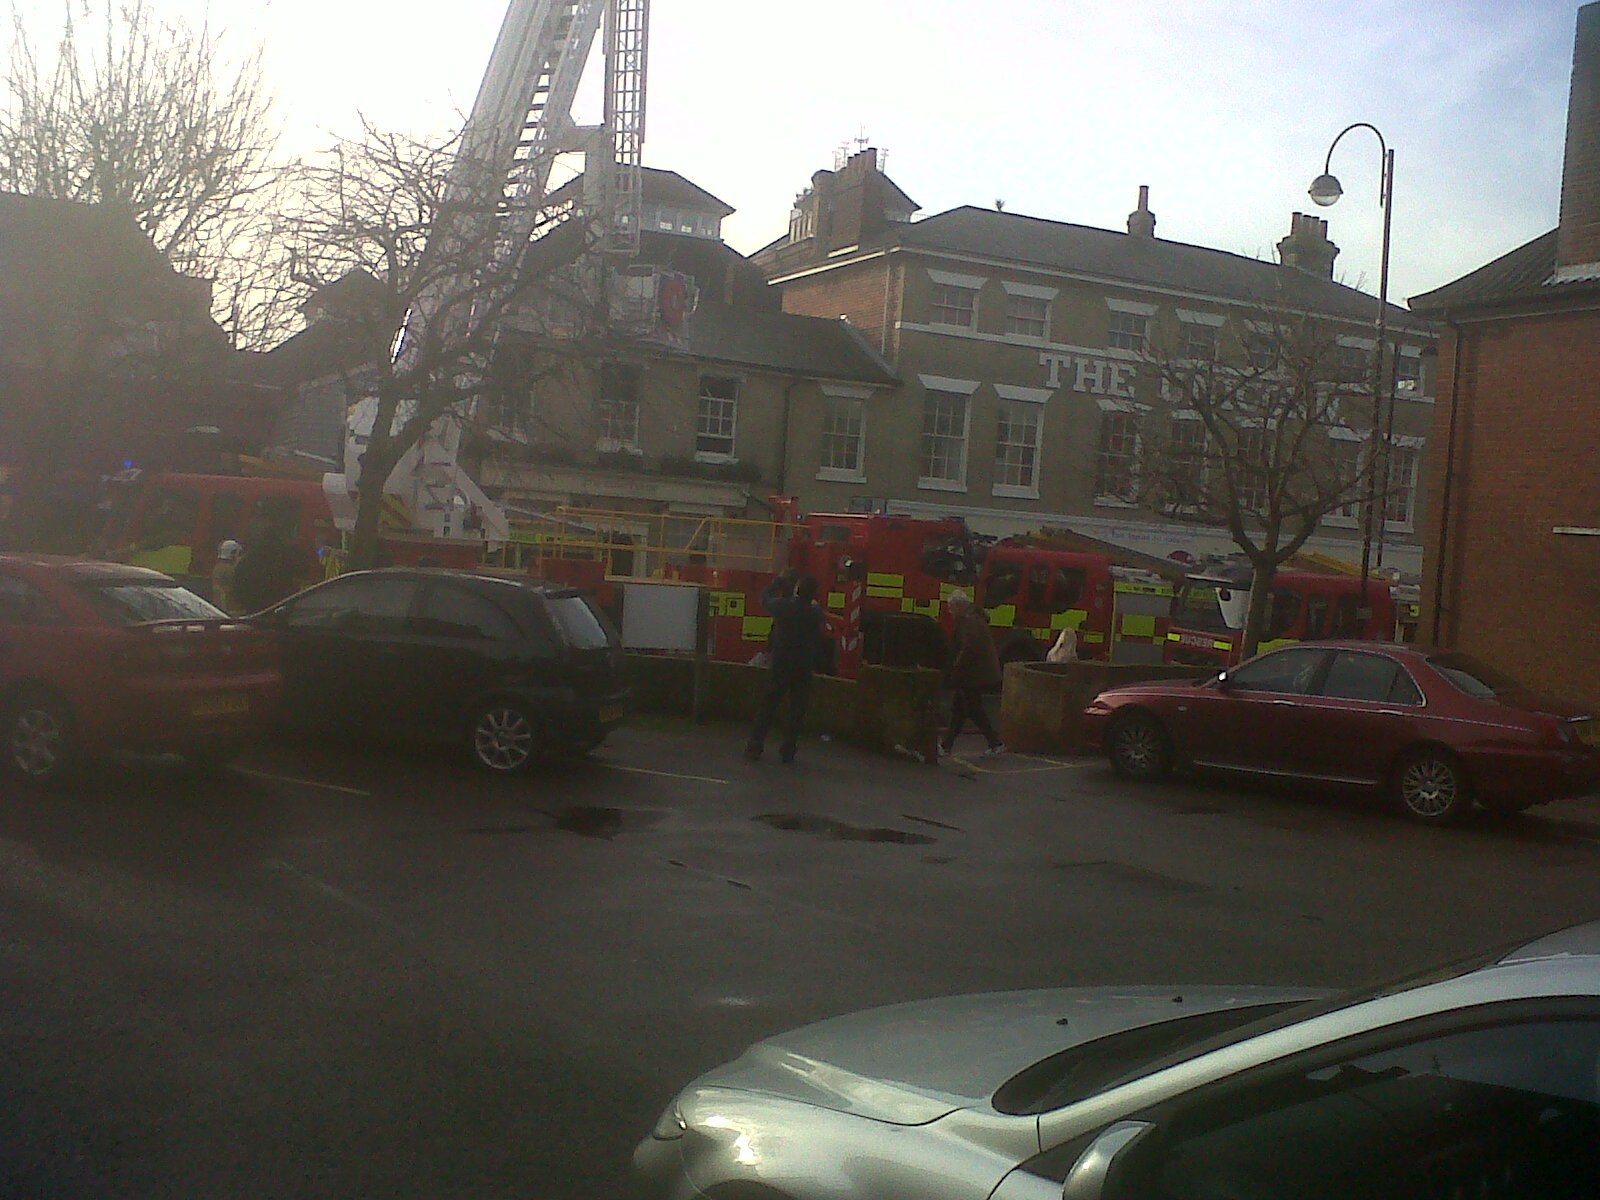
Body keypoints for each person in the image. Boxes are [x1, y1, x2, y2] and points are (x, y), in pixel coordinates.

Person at [745, 570, 825, 764]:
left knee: (768, 706)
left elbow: (765, 599)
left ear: (797, 588)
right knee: (797, 711)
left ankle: (755, 747)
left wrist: (777, 582)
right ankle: (788, 750)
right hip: (803, 667)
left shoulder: (783, 607)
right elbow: (814, 607)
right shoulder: (815, 613)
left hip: (781, 664)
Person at [940, 590, 1005, 759]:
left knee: (972, 709)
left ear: (960, 606)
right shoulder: (973, 618)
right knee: (960, 709)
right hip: (974, 672)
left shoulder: (970, 621)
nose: (950, 612)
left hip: (973, 674)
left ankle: (995, 742)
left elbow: (968, 648)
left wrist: (956, 668)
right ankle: (946, 745)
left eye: (952, 608)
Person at [210, 539, 243, 614]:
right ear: (233, 553)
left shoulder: (218, 567)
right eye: (239, 554)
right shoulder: (231, 570)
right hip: (231, 611)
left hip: (219, 610)